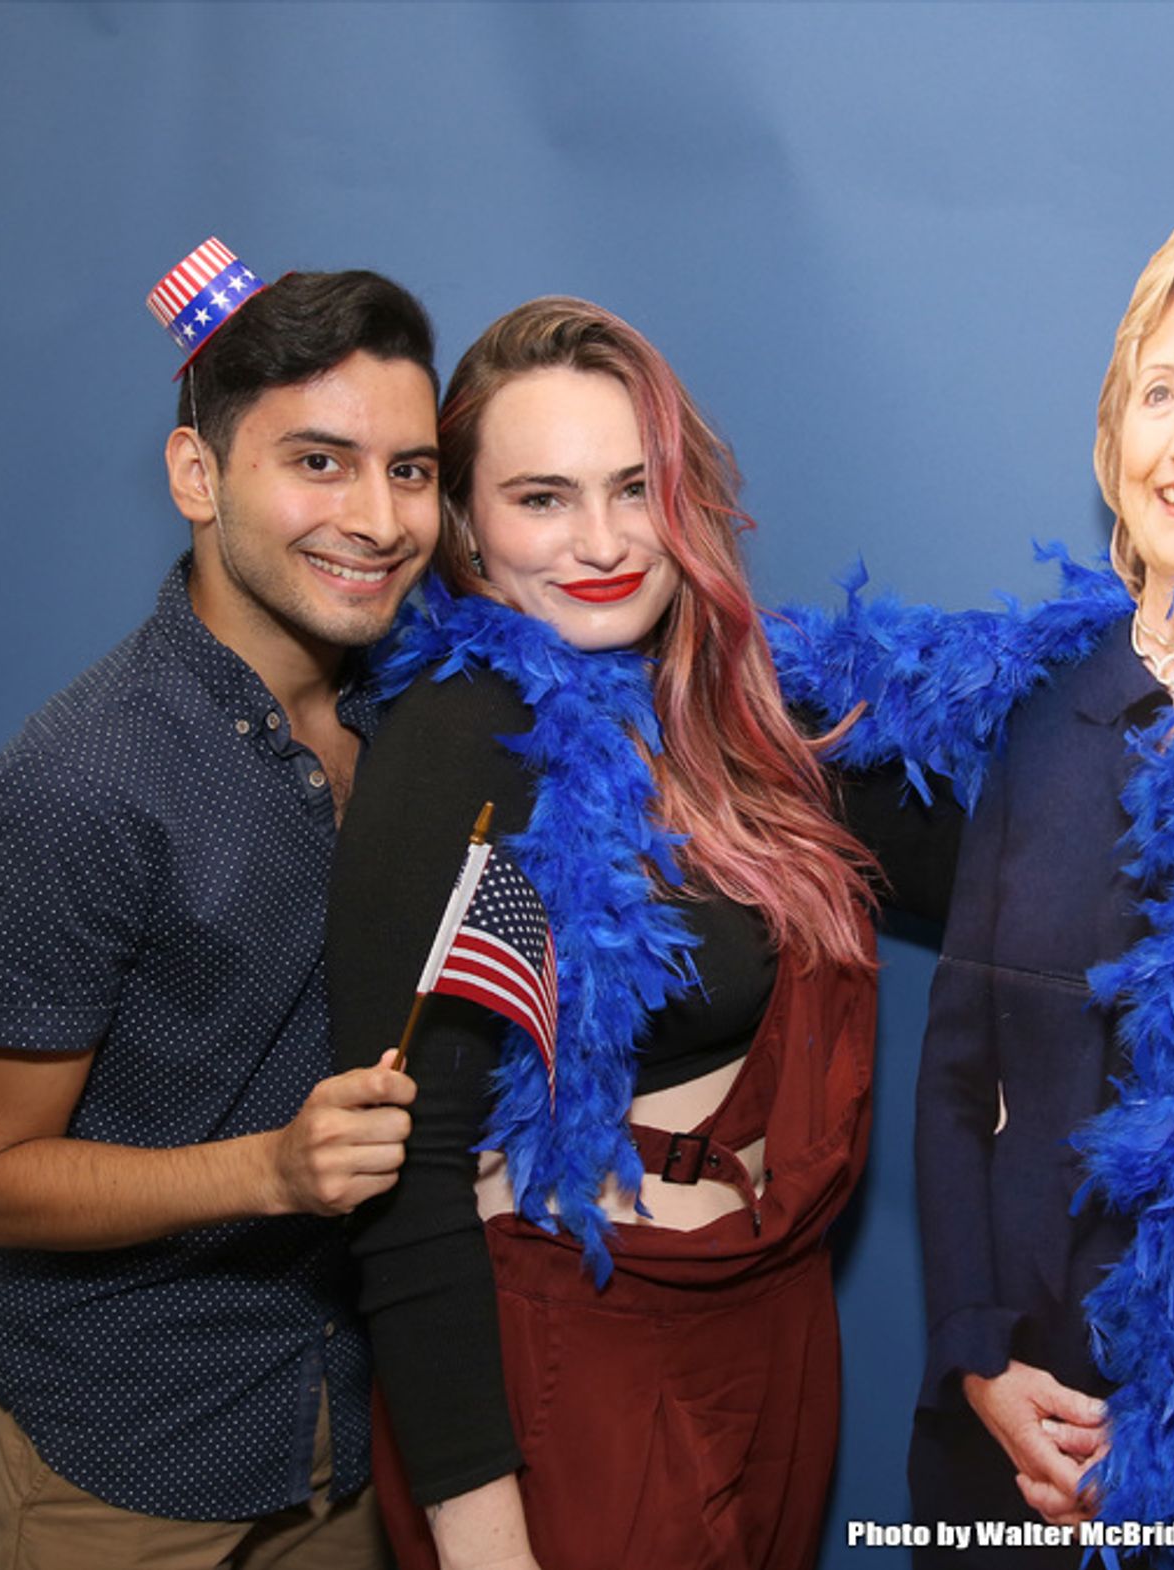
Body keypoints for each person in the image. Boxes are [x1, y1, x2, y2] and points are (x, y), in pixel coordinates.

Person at [326, 297, 960, 1570]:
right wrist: (480, 1532)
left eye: (635, 488)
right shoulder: (455, 743)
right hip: (573, 1364)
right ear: (465, 525)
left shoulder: (734, 724)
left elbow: (987, 866)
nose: (605, 542)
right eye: (543, 498)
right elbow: (403, 1177)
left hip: (764, 1326)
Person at [0, 238, 437, 1567]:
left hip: (341, 1426)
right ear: (197, 475)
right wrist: (273, 1168)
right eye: (318, 460)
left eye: (412, 468)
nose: (379, 517)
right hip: (126, 1457)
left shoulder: (409, 715)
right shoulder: (74, 791)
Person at [906, 185, 1174, 1566]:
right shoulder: (1042, 713)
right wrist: (976, 1352)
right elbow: (959, 1074)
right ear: (1116, 435)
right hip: (1008, 1432)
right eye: (1159, 390)